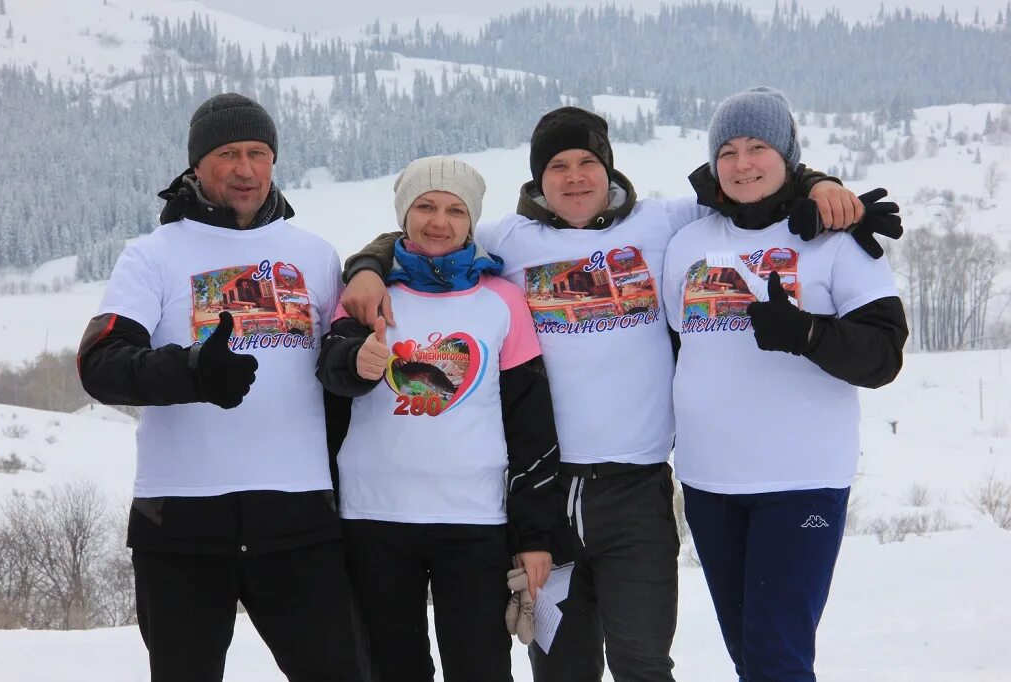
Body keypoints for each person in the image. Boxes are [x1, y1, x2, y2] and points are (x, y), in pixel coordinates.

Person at [338, 107, 890, 682]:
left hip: (636, 493)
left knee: (643, 662)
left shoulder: (664, 224)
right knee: (558, 666)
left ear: (609, 170)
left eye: (587, 163)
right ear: (538, 179)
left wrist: (822, 187)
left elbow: (748, 179)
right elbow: (429, 234)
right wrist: (369, 264)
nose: (574, 177)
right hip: (548, 496)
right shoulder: (508, 238)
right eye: (557, 166)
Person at [77, 93, 363, 682]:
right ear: (197, 165)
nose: (245, 169)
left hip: (298, 516)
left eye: (259, 153)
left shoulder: (314, 255)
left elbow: (342, 365)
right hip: (179, 521)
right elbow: (100, 362)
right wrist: (191, 372)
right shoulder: (153, 256)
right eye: (228, 153)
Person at [661, 86, 908, 682]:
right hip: (708, 482)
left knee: (776, 657)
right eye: (728, 151)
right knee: (752, 655)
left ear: (788, 154)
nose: (743, 164)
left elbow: (883, 355)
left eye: (759, 146)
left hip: (801, 480)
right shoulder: (689, 240)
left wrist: (809, 335)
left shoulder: (840, 238)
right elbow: (677, 341)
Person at [316, 156, 562, 682]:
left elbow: (530, 423)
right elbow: (331, 373)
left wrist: (535, 534)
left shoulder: (503, 301)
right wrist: (354, 364)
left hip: (473, 520)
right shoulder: (370, 292)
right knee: (389, 668)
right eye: (425, 206)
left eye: (455, 210)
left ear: (472, 221)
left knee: (481, 668)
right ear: (404, 214)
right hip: (374, 517)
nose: (439, 221)